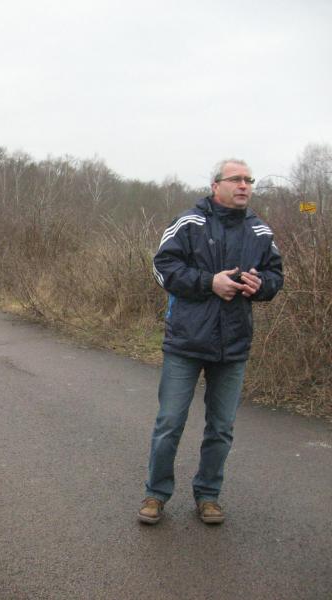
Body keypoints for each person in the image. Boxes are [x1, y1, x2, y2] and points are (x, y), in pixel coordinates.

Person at [138, 159, 283, 526]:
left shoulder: (260, 230)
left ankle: (208, 495)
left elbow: (275, 275)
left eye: (249, 180)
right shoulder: (190, 223)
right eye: (236, 179)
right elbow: (163, 268)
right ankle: (156, 493)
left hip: (233, 346)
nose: (244, 185)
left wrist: (261, 286)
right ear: (216, 185)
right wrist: (209, 282)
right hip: (186, 342)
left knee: (221, 428)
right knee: (170, 422)